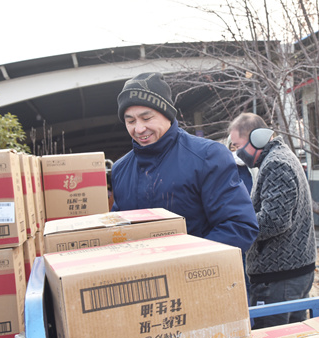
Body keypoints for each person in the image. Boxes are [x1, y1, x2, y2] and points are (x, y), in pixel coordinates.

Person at [110, 72, 259, 257]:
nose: (139, 129)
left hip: (202, 271)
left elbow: (240, 225)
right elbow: (118, 231)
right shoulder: (121, 170)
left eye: (147, 118)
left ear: (167, 114)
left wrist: (185, 263)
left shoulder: (207, 156)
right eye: (130, 121)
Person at [229, 113, 317, 329]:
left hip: (278, 278)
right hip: (289, 273)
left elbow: (274, 220)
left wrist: (236, 229)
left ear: (257, 138)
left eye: (238, 145)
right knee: (294, 337)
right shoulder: (279, 157)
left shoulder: (276, 164)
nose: (237, 152)